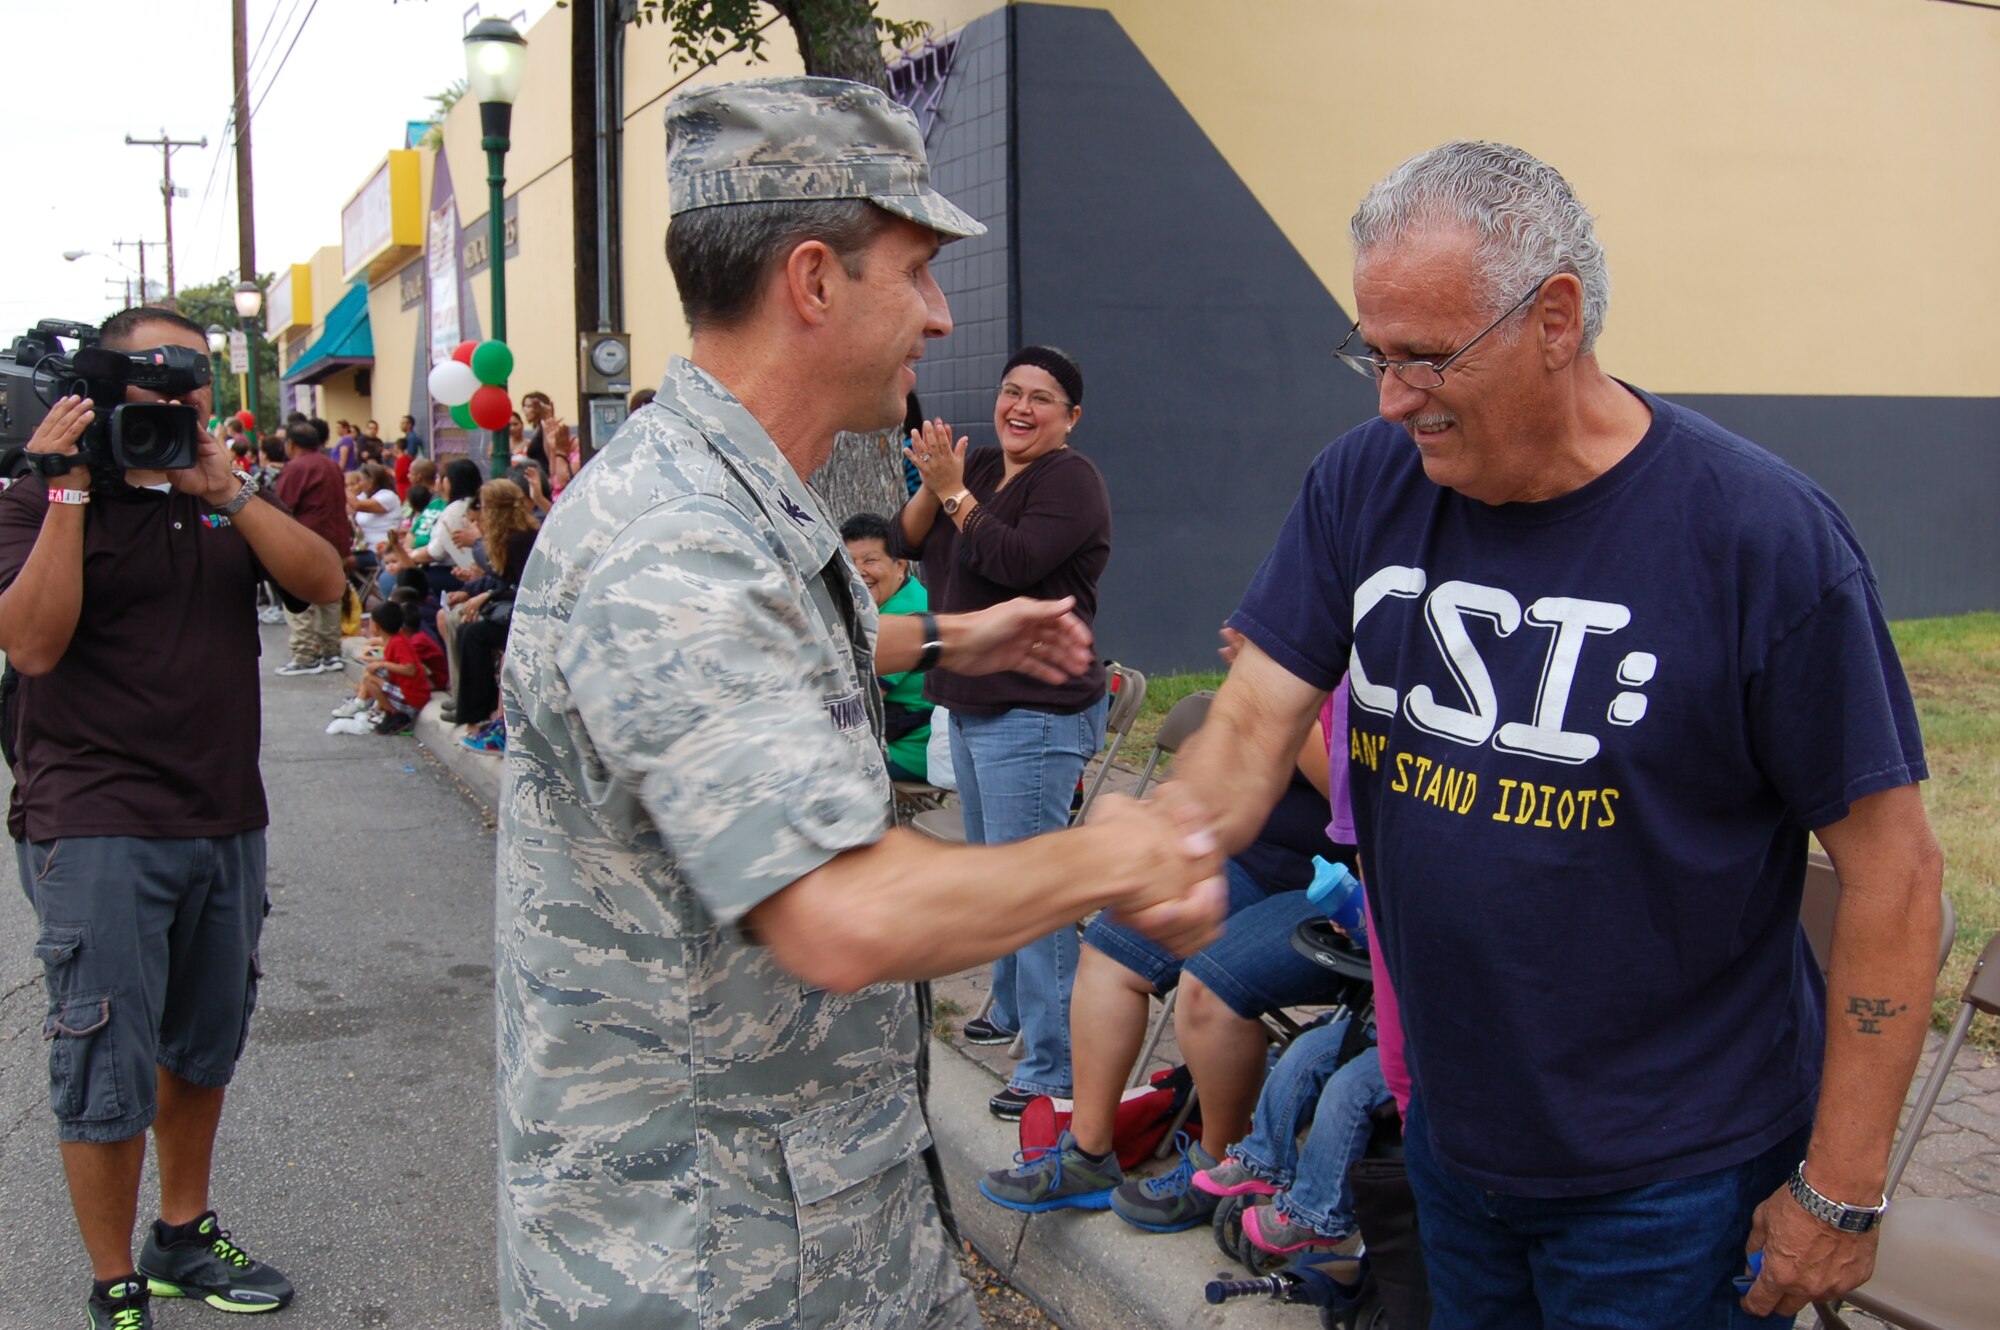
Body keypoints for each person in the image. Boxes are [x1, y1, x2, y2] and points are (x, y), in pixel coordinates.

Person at [1167, 141, 1943, 1329]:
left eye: (1425, 358)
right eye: (1372, 354)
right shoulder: (1361, 485)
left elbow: (1896, 872)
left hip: (1671, 1182)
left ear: (1554, 319)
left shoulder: (1759, 538)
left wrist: (1837, 1186)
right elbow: (1253, 718)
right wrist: (1139, 848)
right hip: (1451, 1134)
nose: (1389, 396)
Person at [495, 75, 1227, 1330]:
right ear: (815, 280)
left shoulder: (731, 503)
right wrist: (1114, 853)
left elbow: (781, 661)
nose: (942, 319)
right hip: (705, 1257)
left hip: (809, 1213)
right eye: (920, 271)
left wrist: (951, 626)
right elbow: (839, 912)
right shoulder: (678, 544)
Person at [0, 306, 345, 1330]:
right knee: (104, 1057)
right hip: (94, 817)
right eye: (155, 379)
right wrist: (69, 488)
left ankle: (180, 1234)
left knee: (202, 1043)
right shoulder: (30, 496)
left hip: (223, 814)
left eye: (194, 378)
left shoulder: (220, 496)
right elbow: (33, 645)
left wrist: (229, 491)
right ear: (102, 388)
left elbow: (323, 585)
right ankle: (114, 1285)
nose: (179, 398)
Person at [982, 646, 1353, 1232]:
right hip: (1250, 857)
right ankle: (1089, 1154)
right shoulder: (1302, 639)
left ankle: (1221, 1165)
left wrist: (1292, 693)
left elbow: (1349, 798)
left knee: (1212, 983)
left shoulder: (1381, 672)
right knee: (1109, 945)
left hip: (1337, 889)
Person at [891, 345, 1113, 1120]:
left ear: (1070, 418)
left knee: (1033, 889)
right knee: (997, 877)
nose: (1021, 407)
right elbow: (909, 538)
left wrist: (955, 494)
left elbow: (1014, 560)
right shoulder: (977, 465)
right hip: (974, 700)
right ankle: (1014, 1010)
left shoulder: (1072, 482)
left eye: (1042, 399)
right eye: (1012, 391)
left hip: (1037, 711)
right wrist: (935, 484)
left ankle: (1055, 1069)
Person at [438, 477, 538, 738]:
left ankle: (477, 716)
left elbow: (522, 587)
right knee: (469, 630)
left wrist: (486, 595)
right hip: (510, 608)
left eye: (483, 507)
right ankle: (472, 712)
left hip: (526, 617)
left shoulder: (520, 540)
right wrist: (472, 590)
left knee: (473, 634)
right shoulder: (508, 538)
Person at [842, 510, 934, 781]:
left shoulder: (902, 615)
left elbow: (862, 702)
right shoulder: (910, 593)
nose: (859, 572)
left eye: (871, 560)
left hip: (908, 752)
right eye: (850, 561)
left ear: (900, 565)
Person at [271, 418, 350, 674]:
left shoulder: (295, 468)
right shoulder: (332, 466)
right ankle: (331, 652)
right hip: (336, 540)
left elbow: (282, 507)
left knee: (299, 594)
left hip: (306, 540)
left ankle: (305, 653)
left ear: (291, 444)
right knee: (330, 596)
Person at [327, 600, 436, 736]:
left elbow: (410, 669)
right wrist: (375, 661)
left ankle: (391, 713)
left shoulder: (398, 643)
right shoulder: (395, 641)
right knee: (372, 671)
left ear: (377, 626)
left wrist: (381, 664)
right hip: (408, 693)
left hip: (413, 698)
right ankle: (369, 706)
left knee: (369, 679)